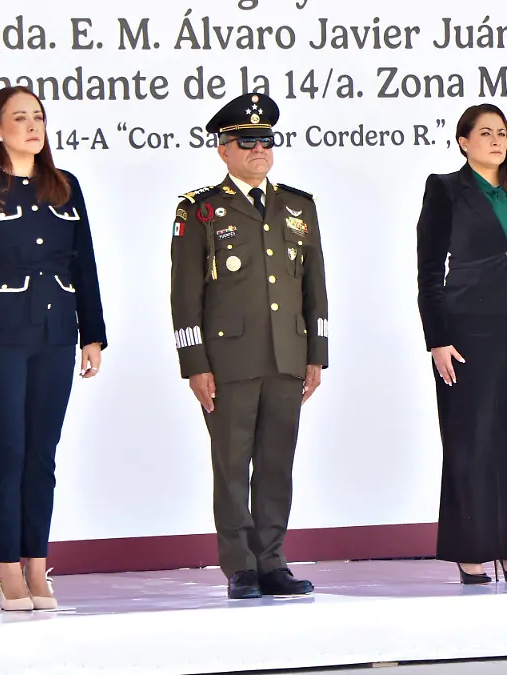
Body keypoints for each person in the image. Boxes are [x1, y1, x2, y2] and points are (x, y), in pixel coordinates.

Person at [0, 85, 107, 611]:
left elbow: (84, 265)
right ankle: (6, 566)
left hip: (55, 335)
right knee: (8, 450)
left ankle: (38, 562)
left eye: (38, 116)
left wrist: (93, 333)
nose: (33, 126)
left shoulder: (65, 186)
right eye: (20, 118)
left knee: (42, 453)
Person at [170, 93, 328, 599]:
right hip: (229, 361)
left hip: (287, 355)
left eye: (266, 140)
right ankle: (239, 563)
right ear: (224, 150)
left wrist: (315, 354)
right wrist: (194, 362)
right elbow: (185, 293)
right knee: (232, 464)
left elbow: (314, 286)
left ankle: (272, 560)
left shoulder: (298, 206)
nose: (259, 149)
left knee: (277, 463)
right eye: (247, 141)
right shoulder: (201, 210)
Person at [415, 103, 507, 584]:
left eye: (501, 132)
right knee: (470, 440)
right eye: (485, 133)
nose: (497, 140)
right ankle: (472, 551)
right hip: (467, 330)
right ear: (463, 141)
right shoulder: (444, 189)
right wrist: (437, 338)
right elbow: (429, 271)